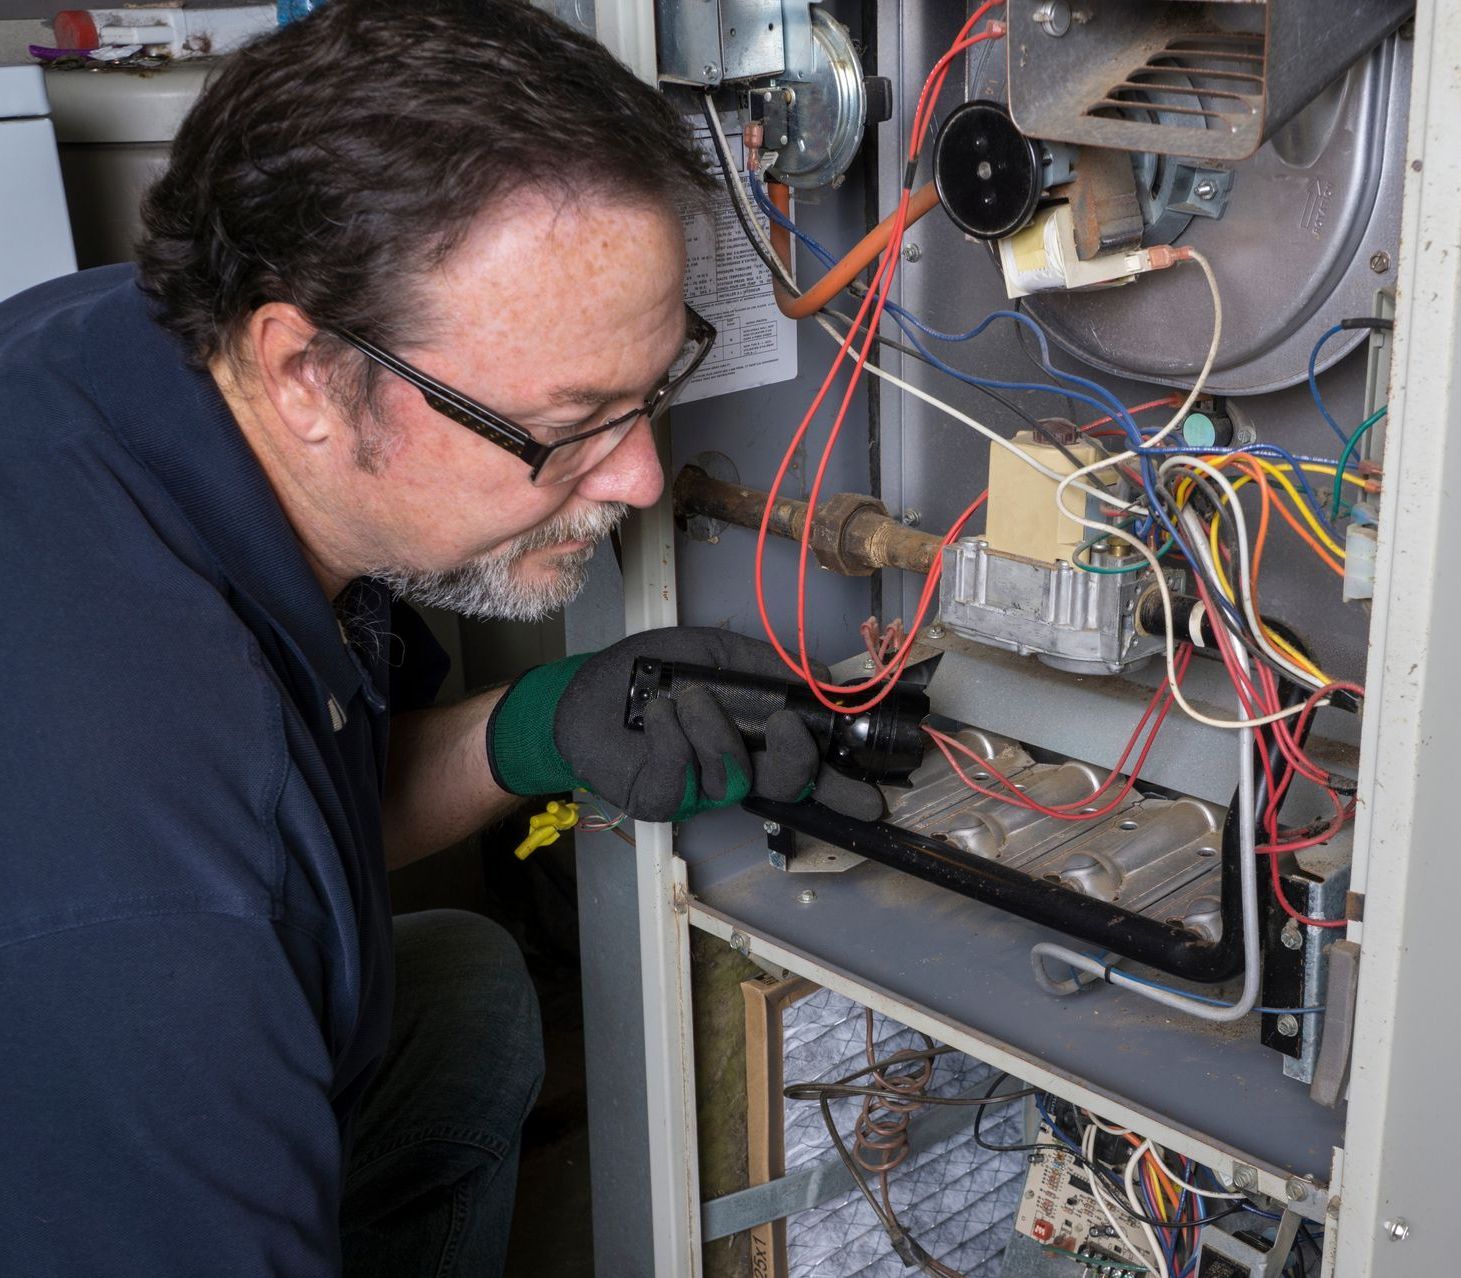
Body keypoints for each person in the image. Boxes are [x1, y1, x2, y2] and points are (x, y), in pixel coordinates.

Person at [0, 0, 877, 1272]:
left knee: (462, 994)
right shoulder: (165, 906)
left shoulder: (129, 343)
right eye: (568, 422)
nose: (636, 478)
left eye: (653, 390)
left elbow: (312, 811)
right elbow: (234, 865)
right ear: (304, 372)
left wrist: (539, 726)